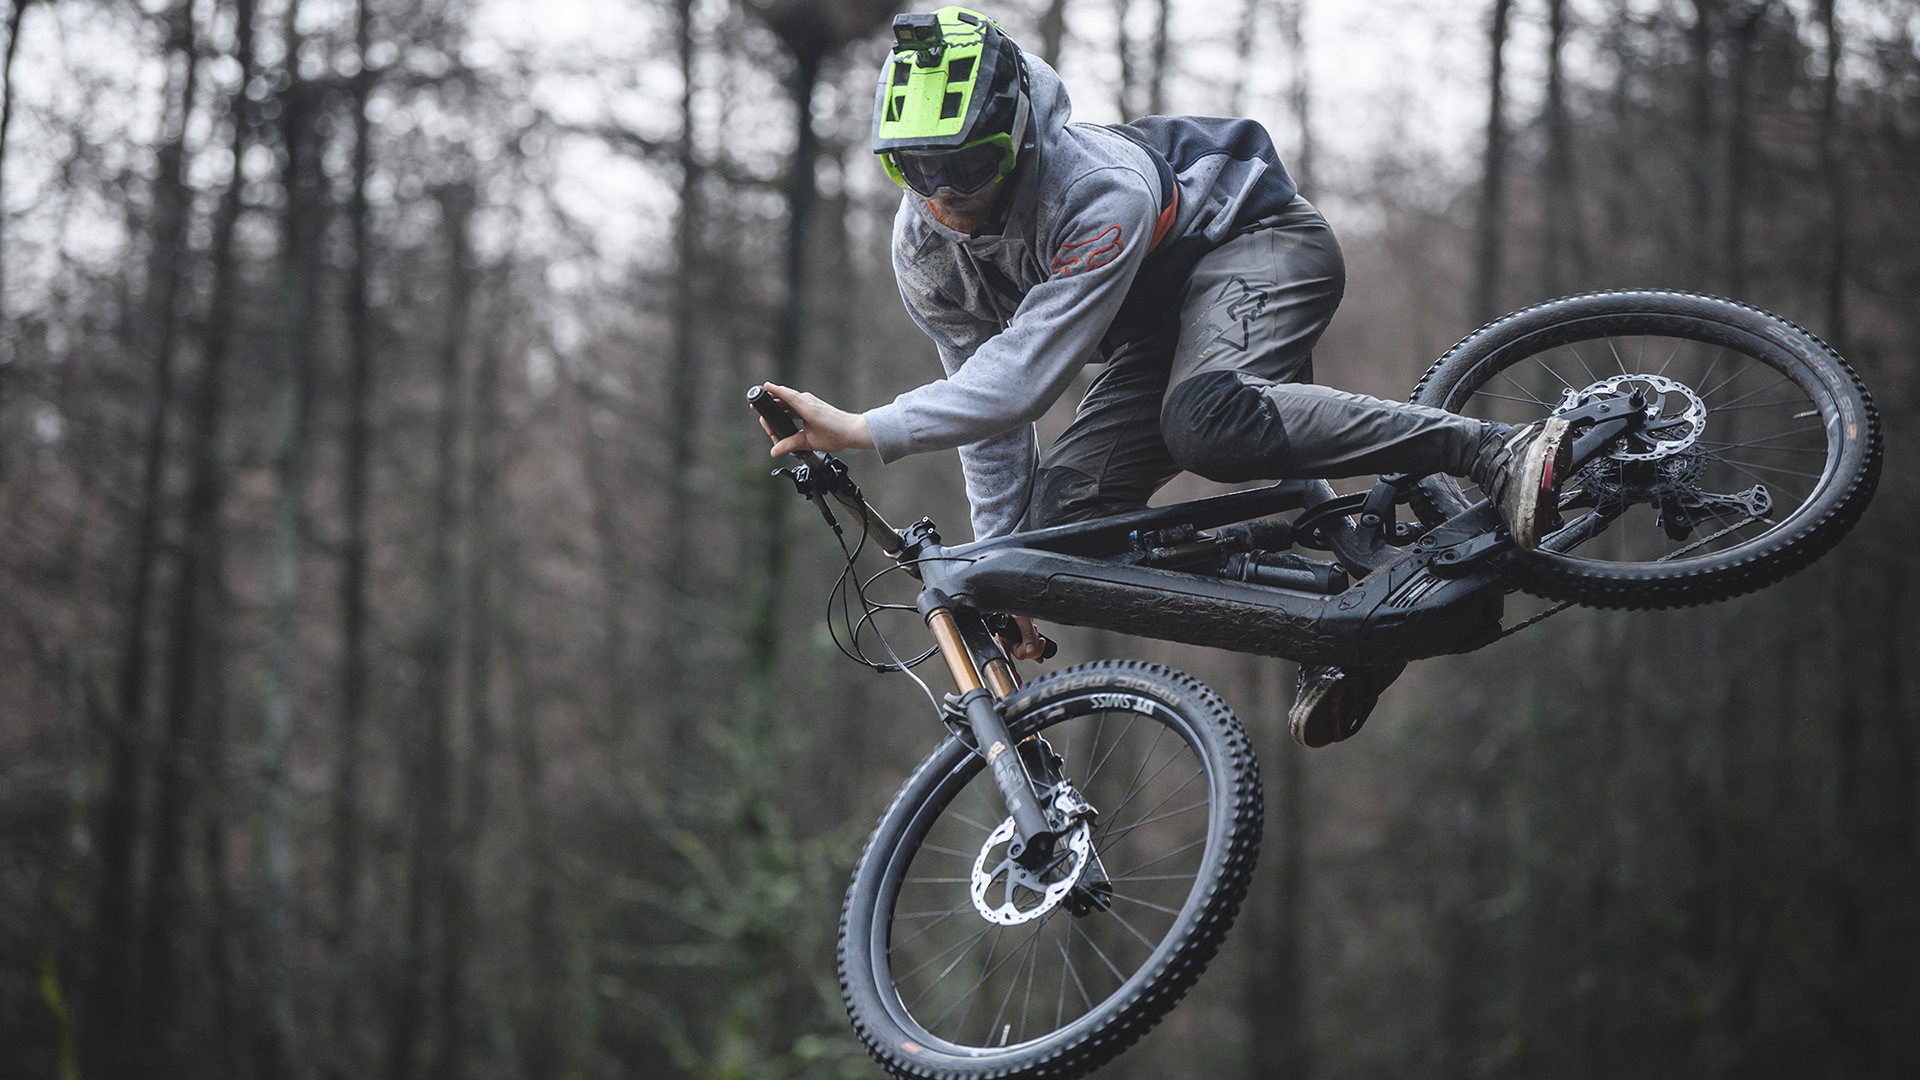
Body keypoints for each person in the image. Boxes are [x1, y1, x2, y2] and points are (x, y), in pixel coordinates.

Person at [758, 7, 1570, 747]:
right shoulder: (926, 255)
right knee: (1062, 531)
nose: (942, 195)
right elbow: (990, 418)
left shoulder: (1093, 190)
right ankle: (1346, 620)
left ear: (1017, 138)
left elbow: (1022, 381)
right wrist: (1010, 571)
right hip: (1161, 329)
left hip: (1257, 244)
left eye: (966, 167)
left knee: (1207, 421)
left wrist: (865, 428)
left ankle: (1491, 448)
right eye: (915, 168)